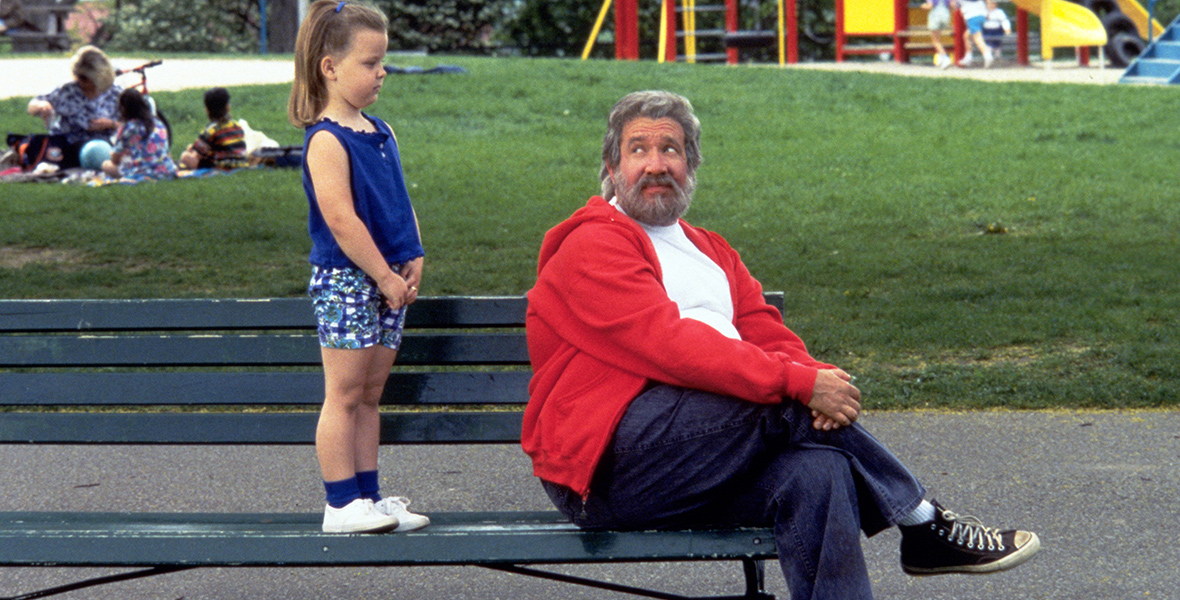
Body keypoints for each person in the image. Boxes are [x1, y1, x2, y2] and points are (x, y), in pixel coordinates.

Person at [523, 91, 1040, 600]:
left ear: (691, 166)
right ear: (612, 167)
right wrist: (800, 385)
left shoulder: (710, 250)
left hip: (710, 461)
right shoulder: (592, 243)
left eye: (672, 150)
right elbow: (670, 346)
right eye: (638, 150)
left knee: (822, 471)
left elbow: (767, 333)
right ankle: (924, 522)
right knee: (777, 405)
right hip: (611, 473)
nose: (656, 165)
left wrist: (821, 382)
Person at [288, 0, 430, 535]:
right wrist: (384, 276)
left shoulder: (380, 130)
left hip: (390, 280)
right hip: (351, 279)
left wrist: (412, 252)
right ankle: (340, 503)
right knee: (344, 395)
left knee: (371, 396)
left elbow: (397, 198)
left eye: (383, 62)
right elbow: (342, 222)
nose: (381, 73)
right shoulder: (326, 139)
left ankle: (369, 496)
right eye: (370, 64)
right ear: (330, 66)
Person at [25, 45, 122, 168]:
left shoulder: (116, 94)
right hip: (68, 141)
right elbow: (32, 105)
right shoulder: (69, 90)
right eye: (77, 75)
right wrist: (43, 106)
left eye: (84, 78)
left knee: (99, 152)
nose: (80, 81)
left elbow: (135, 125)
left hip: (100, 144)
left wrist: (110, 124)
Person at [100, 88, 177, 182]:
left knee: (106, 165)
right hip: (165, 171)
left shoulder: (128, 127)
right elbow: (167, 152)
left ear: (123, 108)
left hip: (139, 172)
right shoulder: (159, 123)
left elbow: (115, 159)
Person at [179, 87, 249, 171]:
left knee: (185, 156)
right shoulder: (237, 126)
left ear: (207, 110)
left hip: (219, 166)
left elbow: (197, 155)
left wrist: (190, 151)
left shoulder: (211, 130)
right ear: (228, 107)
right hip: (240, 163)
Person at [957, 0, 995, 67]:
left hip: (972, 16)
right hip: (982, 14)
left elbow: (953, 5)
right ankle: (968, 56)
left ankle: (987, 54)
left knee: (977, 37)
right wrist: (988, 12)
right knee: (967, 36)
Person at [921, 0, 953, 69]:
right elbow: (952, 5)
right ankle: (940, 59)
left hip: (935, 15)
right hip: (946, 15)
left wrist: (923, 6)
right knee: (939, 38)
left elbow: (930, 6)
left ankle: (945, 58)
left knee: (935, 41)